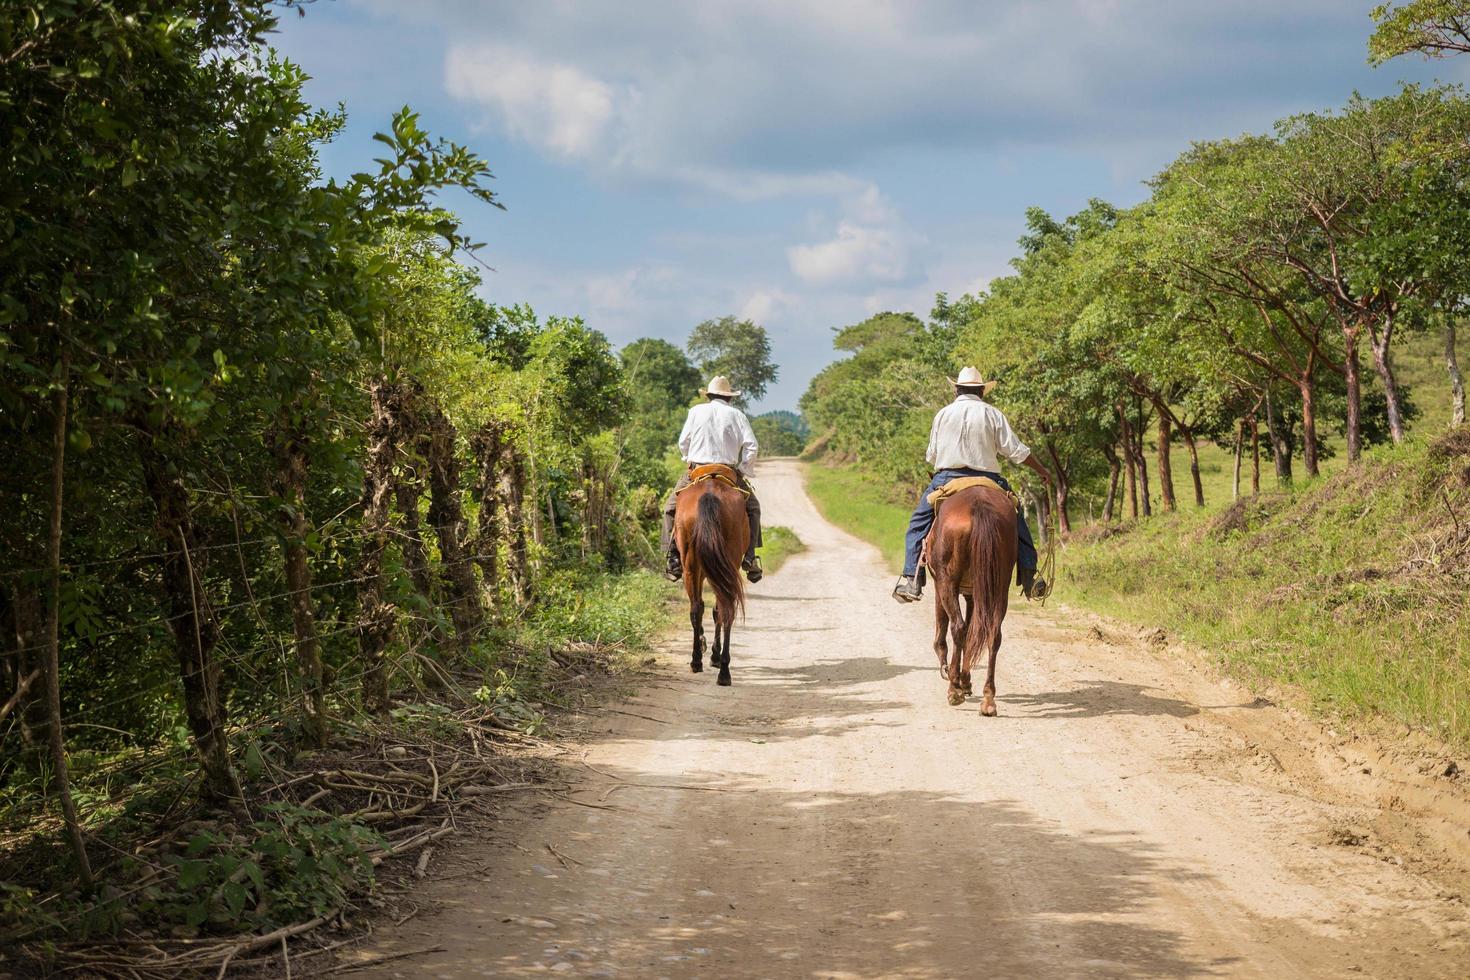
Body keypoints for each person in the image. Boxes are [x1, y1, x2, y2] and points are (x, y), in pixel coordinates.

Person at [892, 366, 1052, 603]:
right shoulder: (993, 414)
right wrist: (1042, 470)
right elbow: (1015, 450)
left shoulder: (943, 414)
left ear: (956, 389)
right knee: (1016, 518)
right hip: (989, 480)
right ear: (981, 391)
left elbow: (932, 456)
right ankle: (1029, 576)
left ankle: (912, 579)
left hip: (948, 478)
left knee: (917, 524)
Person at [662, 375, 764, 583]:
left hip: (697, 470)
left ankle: (672, 556)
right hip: (728, 471)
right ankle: (751, 557)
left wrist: (688, 459)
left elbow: (684, 441)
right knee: (753, 508)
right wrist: (743, 469)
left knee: (670, 508)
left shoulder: (695, 411)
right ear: (729, 398)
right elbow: (752, 446)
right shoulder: (737, 415)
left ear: (708, 395)